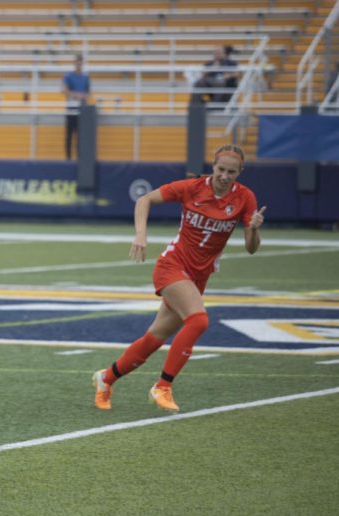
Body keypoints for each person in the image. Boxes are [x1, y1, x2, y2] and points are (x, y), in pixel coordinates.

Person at [92, 144, 266, 412]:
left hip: (198, 276)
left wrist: (253, 230)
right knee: (198, 320)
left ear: (240, 172)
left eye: (232, 171)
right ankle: (162, 386)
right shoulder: (192, 187)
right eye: (221, 169)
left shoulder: (245, 198)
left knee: (154, 339)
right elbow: (144, 200)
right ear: (213, 167)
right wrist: (141, 235)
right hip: (172, 266)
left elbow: (251, 248)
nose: (225, 175)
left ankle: (105, 379)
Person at [62, 54, 91, 160]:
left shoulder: (85, 77)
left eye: (80, 62)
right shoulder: (69, 76)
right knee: (69, 135)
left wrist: (83, 96)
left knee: (80, 136)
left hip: (81, 108)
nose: (78, 64)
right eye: (76, 62)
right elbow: (64, 90)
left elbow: (88, 93)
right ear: (74, 63)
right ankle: (68, 159)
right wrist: (76, 94)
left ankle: (80, 159)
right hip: (71, 108)